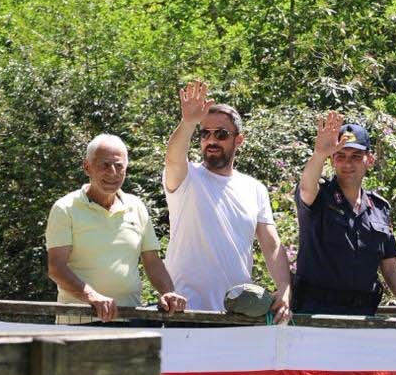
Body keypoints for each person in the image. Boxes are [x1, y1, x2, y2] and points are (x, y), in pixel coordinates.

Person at [163, 81, 293, 319]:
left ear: (239, 140)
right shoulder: (186, 177)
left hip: (237, 315)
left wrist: (284, 287)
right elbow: (172, 159)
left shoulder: (254, 189)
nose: (212, 140)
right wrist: (188, 122)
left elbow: (271, 245)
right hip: (185, 312)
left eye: (221, 134)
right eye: (205, 133)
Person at [295, 111, 396, 326]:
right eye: (341, 155)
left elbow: (389, 266)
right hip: (316, 317)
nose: (347, 163)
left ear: (370, 160)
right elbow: (305, 188)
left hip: (362, 317)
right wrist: (319, 154)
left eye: (356, 156)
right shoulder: (318, 196)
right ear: (332, 160)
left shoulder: (379, 208)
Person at [46, 134, 186, 320]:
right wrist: (92, 297)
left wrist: (168, 292)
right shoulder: (65, 208)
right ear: (87, 167)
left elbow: (152, 262)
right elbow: (56, 268)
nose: (112, 172)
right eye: (104, 165)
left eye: (119, 166)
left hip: (129, 320)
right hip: (80, 322)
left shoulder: (136, 206)